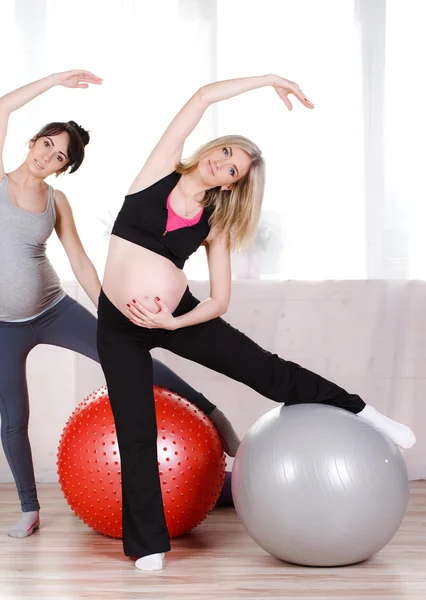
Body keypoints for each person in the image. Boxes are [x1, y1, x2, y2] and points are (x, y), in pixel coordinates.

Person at [97, 73, 416, 572]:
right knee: (135, 428)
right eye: (225, 154)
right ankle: (148, 545)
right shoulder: (157, 173)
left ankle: (364, 411)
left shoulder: (213, 223)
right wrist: (268, 80)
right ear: (213, 150)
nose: (222, 163)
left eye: (234, 169)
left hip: (175, 318)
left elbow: (220, 300)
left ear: (231, 186)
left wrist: (173, 327)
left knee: (266, 372)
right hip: (117, 325)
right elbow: (200, 96)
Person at [0, 71, 240, 540]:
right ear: (32, 141)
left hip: (52, 309)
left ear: (62, 169)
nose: (48, 155)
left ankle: (215, 417)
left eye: (60, 156)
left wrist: (112, 314)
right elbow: (1, 107)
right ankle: (29, 507)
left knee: (134, 358)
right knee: (13, 415)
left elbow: (83, 264)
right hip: (4, 325)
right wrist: (53, 82)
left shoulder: (57, 201)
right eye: (47, 144)